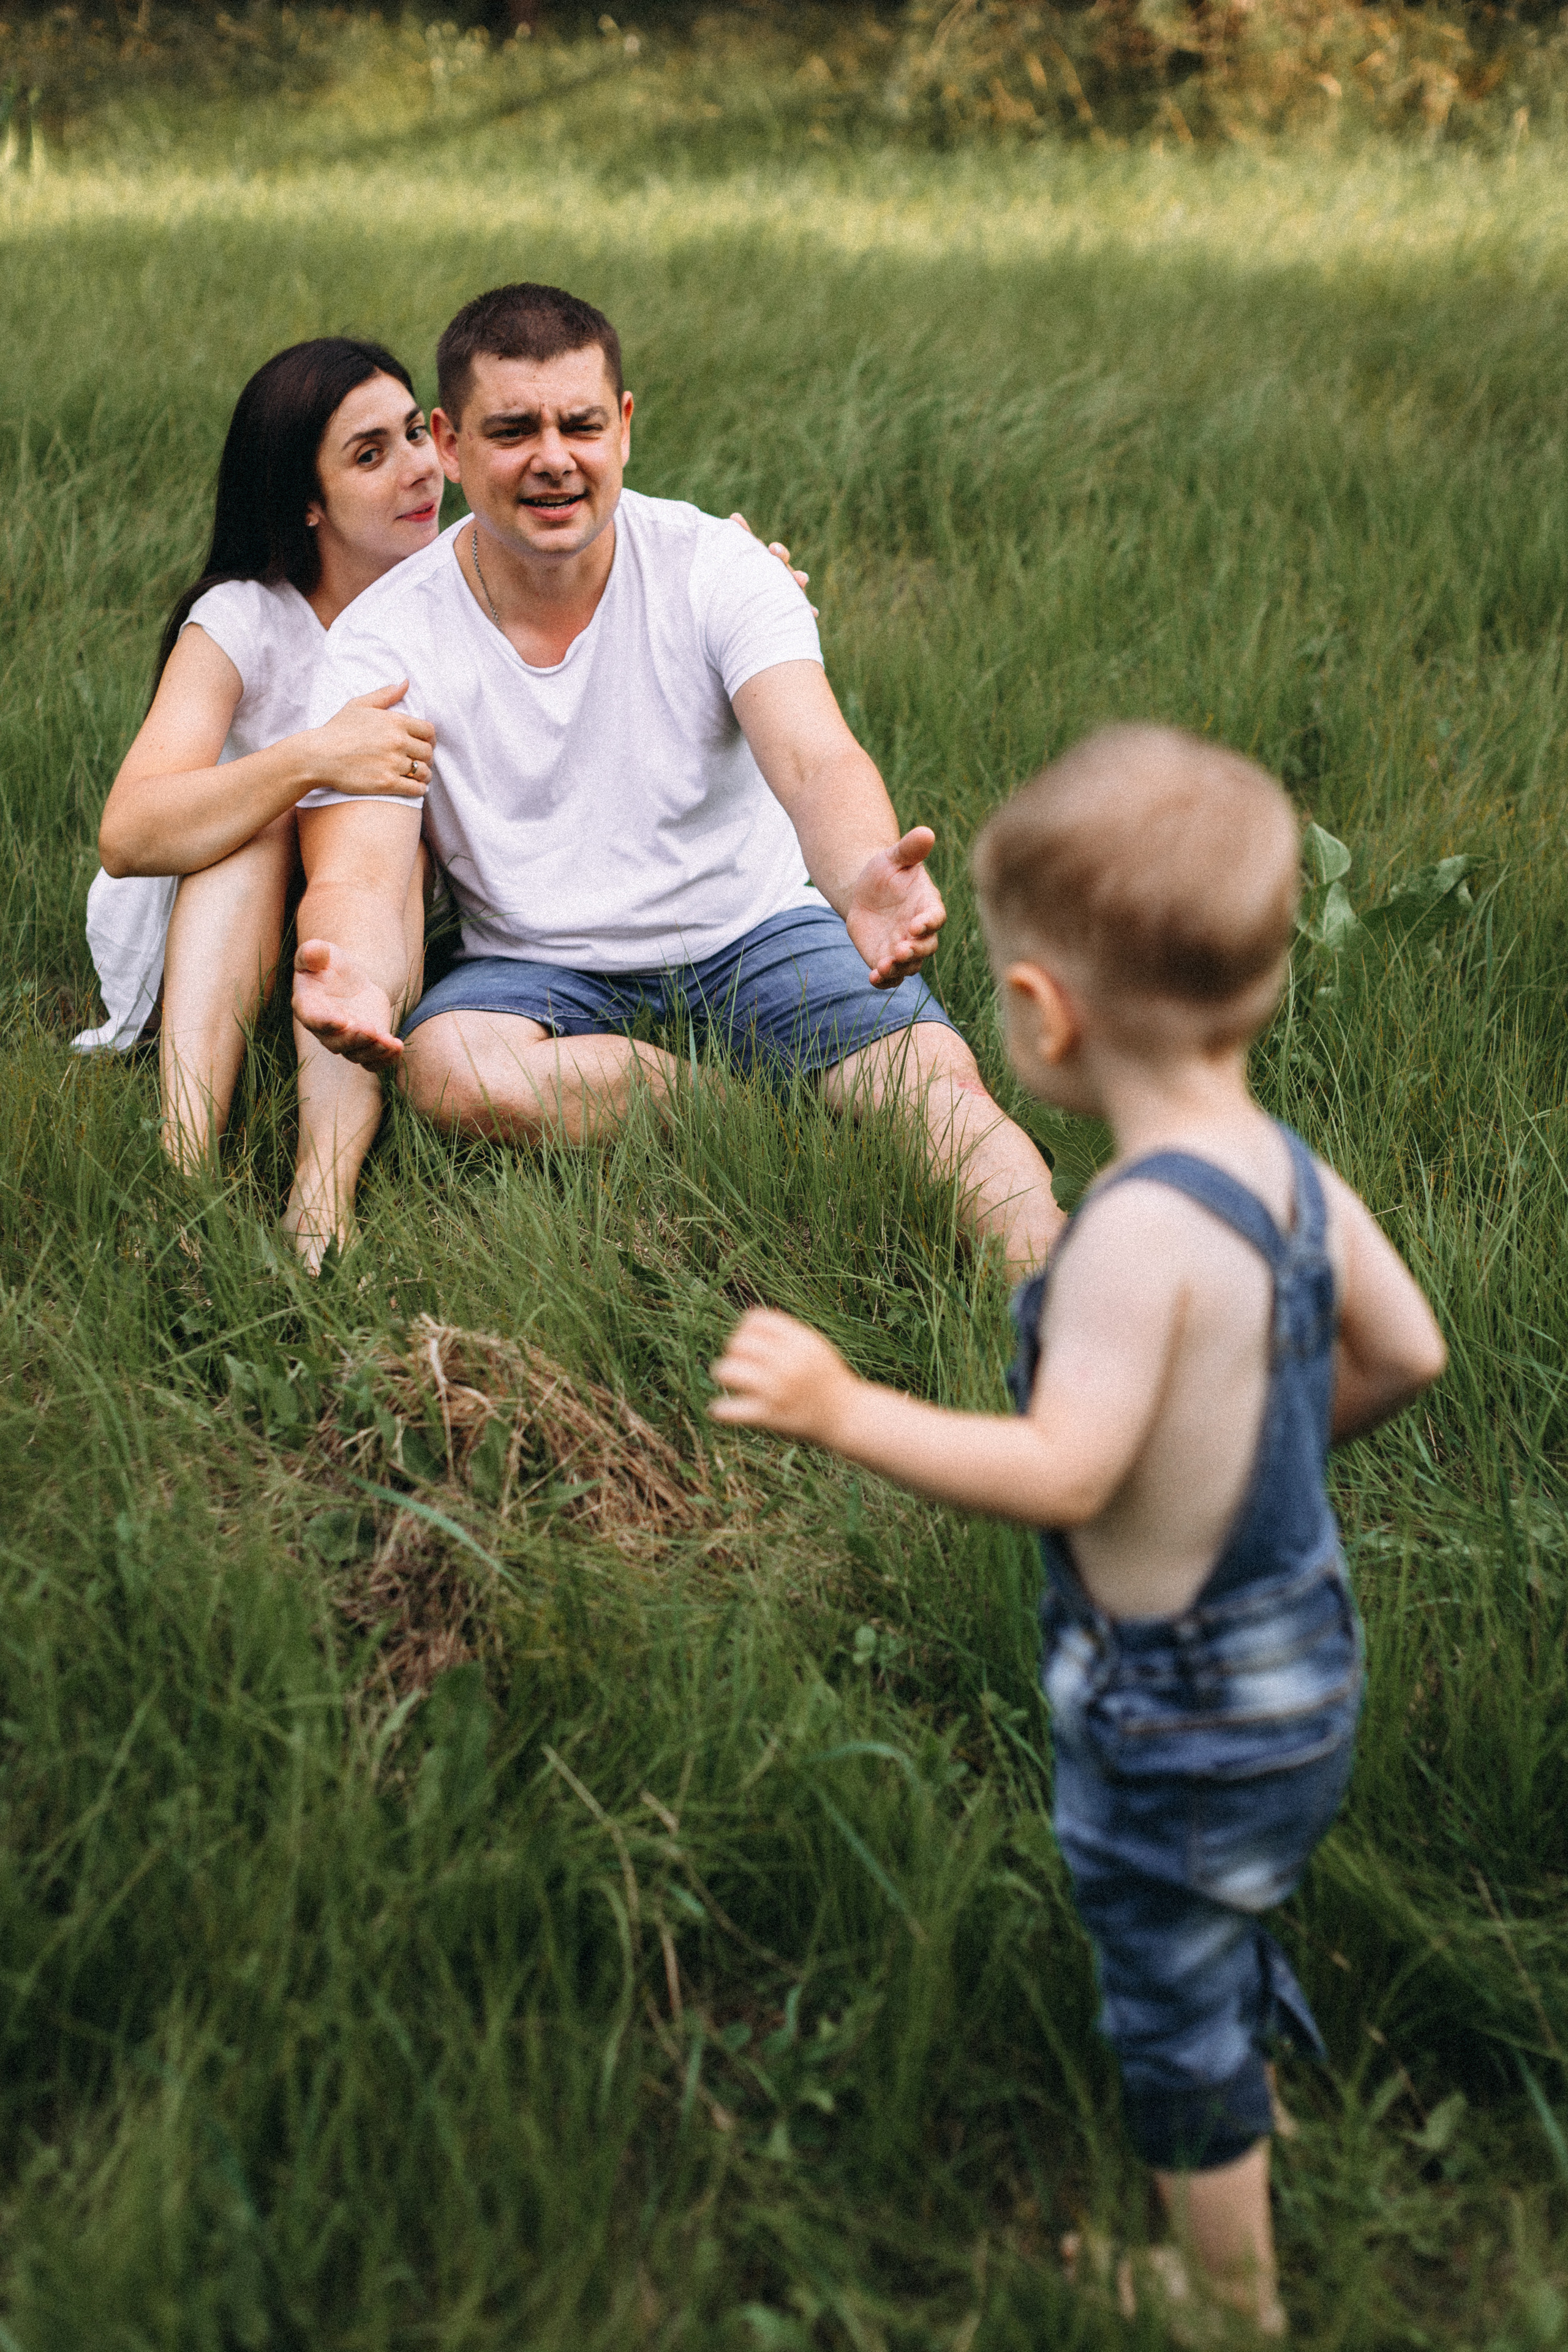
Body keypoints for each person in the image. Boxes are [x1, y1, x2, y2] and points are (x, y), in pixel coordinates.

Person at [709, 725, 1447, 2334]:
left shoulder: (1128, 1233)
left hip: (1176, 1705)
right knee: (1231, 1901)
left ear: (1041, 1019)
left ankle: (1219, 2286)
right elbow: (1409, 1352)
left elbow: (1064, 1473)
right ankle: (1264, 2084)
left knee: (1165, 1987)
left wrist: (844, 1409)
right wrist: (1263, 1457)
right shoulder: (1294, 1177)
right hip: (1305, 1651)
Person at [291, 281, 1063, 1272]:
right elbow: (359, 871)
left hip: (756, 927)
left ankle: (1066, 1295)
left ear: (623, 427)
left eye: (579, 424)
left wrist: (863, 873)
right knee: (447, 1070)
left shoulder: (714, 567)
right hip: (538, 965)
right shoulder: (384, 636)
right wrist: (351, 960)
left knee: (938, 1092)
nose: (553, 459)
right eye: (513, 430)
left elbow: (814, 756)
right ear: (448, 443)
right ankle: (760, 1120)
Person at [83, 337, 440, 1265]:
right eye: (373, 454)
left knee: (386, 826)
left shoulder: (458, 592)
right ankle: (183, 1174)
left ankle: (321, 1202)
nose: (421, 468)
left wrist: (733, 566)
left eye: (415, 432)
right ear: (307, 504)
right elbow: (126, 835)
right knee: (268, 821)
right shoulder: (244, 616)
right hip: (217, 905)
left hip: (381, 908)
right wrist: (314, 755)